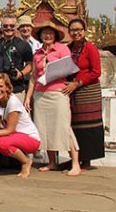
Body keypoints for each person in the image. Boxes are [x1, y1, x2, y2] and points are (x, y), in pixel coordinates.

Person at [24, 21, 81, 176]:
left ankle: (75, 163)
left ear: (55, 35)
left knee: (63, 128)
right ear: (40, 36)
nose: (47, 36)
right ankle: (52, 162)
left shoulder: (62, 49)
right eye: (44, 33)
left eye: (50, 33)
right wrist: (28, 98)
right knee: (45, 129)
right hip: (40, 94)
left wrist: (51, 71)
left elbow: (67, 69)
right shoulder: (37, 53)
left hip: (58, 93)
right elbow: (34, 77)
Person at [0, 73, 41, 178]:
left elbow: (9, 130)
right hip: (13, 134)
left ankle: (26, 162)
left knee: (1, 142)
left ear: (7, 87)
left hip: (29, 138)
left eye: (1, 86)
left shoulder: (13, 102)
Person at [64, 18, 104, 169]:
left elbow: (96, 72)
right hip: (72, 90)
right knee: (74, 125)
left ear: (84, 30)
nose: (76, 33)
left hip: (87, 90)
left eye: (79, 29)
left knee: (89, 126)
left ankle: (87, 159)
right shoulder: (68, 48)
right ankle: (75, 157)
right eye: (73, 30)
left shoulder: (90, 48)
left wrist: (78, 83)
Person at [0, 15, 33, 108]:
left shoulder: (23, 45)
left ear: (16, 27)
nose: (8, 28)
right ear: (2, 26)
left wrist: (21, 73)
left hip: (16, 89)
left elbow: (30, 64)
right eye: (6, 26)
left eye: (12, 26)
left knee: (15, 120)